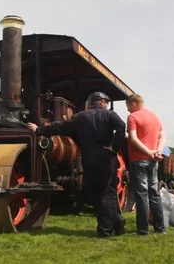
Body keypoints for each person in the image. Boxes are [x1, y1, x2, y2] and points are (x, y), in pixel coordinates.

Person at [27, 91, 127, 237]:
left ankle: (115, 225)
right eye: (105, 101)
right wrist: (114, 147)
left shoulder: (80, 116)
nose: (106, 104)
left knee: (97, 193)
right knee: (107, 192)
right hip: (106, 157)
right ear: (101, 102)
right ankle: (109, 228)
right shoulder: (110, 115)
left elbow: (60, 127)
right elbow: (121, 126)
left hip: (88, 159)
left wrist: (39, 130)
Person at [125, 94, 166, 235]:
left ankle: (143, 230)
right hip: (153, 160)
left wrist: (148, 152)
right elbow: (163, 136)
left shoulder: (133, 117)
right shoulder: (155, 116)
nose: (128, 110)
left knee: (142, 194)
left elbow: (133, 139)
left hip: (138, 159)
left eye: (128, 106)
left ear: (133, 103)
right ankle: (160, 228)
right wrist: (157, 151)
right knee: (154, 193)